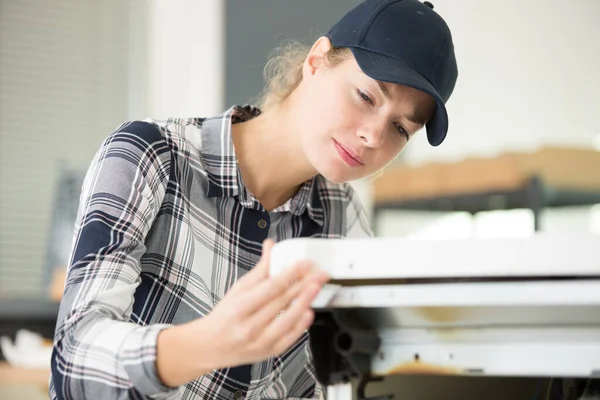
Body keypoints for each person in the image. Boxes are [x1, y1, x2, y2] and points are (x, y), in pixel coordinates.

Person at [49, 0, 458, 398]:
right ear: (316, 61)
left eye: (401, 129)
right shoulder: (150, 154)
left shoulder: (343, 219)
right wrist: (209, 343)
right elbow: (74, 363)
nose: (374, 136)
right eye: (366, 96)